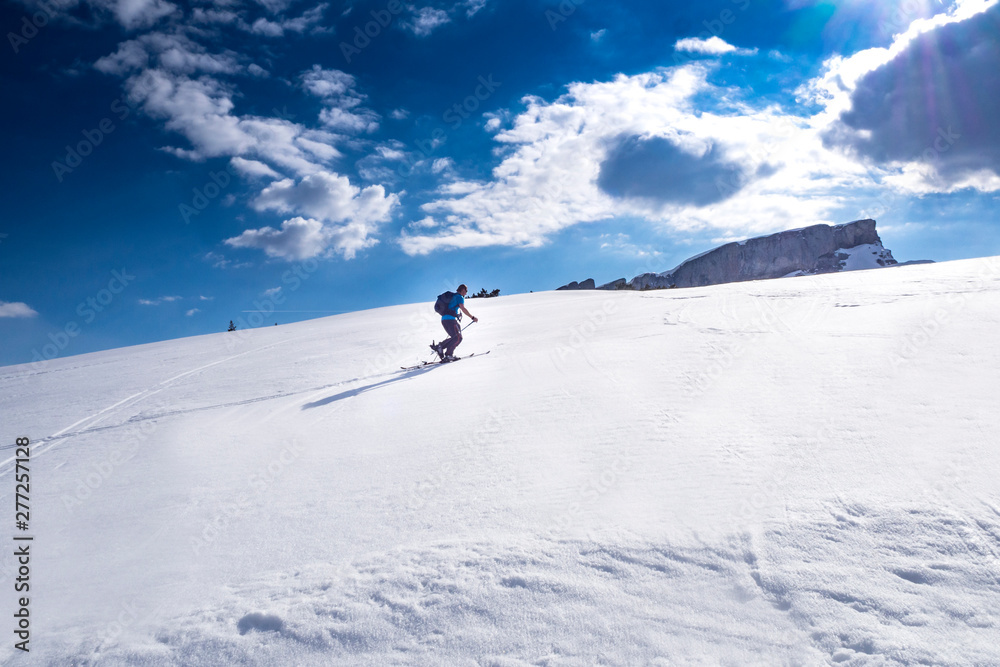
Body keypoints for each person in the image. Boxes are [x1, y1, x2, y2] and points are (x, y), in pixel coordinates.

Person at [432, 284, 478, 361]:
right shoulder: (459, 297)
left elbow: (451, 308)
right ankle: (448, 355)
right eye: (466, 291)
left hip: (444, 320)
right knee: (458, 338)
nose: (466, 293)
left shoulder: (453, 297)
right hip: (450, 320)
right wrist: (472, 317)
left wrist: (456, 315)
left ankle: (440, 347)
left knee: (454, 337)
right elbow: (463, 308)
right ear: (463, 290)